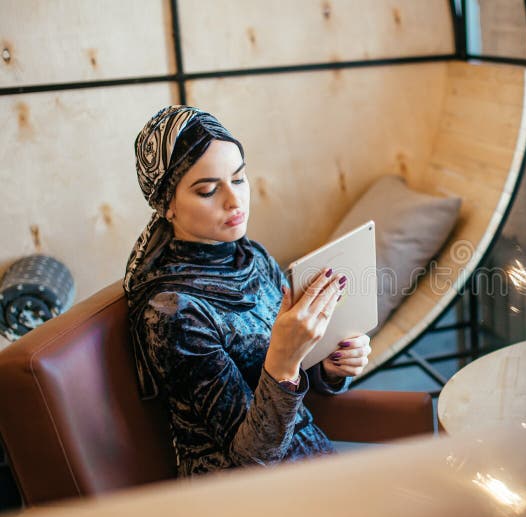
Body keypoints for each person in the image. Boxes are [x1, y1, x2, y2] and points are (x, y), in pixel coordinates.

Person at [123, 105, 371, 476]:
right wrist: (284, 362)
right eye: (208, 190)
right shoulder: (172, 312)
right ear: (167, 205)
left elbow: (299, 376)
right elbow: (252, 458)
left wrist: (330, 367)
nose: (233, 201)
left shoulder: (251, 257)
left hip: (312, 464)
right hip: (243, 498)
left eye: (239, 179)